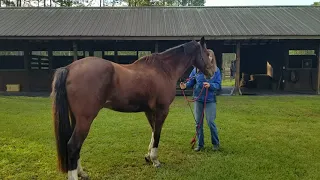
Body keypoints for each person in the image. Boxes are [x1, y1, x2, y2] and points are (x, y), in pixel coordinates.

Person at [180, 49, 221, 152]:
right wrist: (185, 85)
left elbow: (218, 85)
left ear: (212, 58)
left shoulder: (216, 70)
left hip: (210, 100)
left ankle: (215, 143)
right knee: (198, 123)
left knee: (210, 122)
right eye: (205, 55)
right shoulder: (196, 70)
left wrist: (210, 85)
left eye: (209, 55)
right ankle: (200, 144)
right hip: (198, 99)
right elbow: (191, 81)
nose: (207, 57)